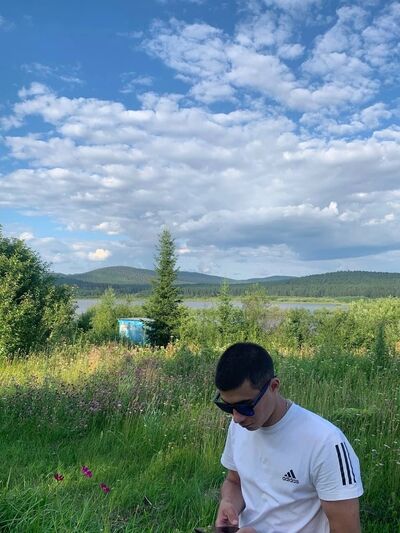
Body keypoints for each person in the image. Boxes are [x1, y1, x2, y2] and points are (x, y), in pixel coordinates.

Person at [214, 342, 363, 533]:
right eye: (227, 407)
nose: (236, 417)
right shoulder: (238, 427)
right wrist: (229, 503)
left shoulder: (326, 442)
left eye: (245, 406)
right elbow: (235, 481)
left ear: (274, 386)